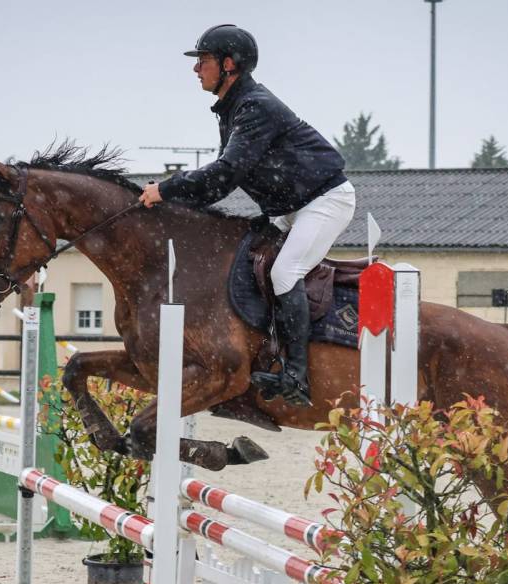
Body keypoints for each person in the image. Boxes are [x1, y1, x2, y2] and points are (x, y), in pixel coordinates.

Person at [138, 24, 354, 407]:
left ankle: (296, 378)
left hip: (325, 201)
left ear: (229, 65)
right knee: (247, 260)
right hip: (289, 209)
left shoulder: (255, 107)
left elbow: (224, 175)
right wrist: (175, 206)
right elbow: (219, 186)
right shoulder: (234, 107)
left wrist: (167, 189)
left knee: (284, 272)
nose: (196, 69)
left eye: (203, 60)